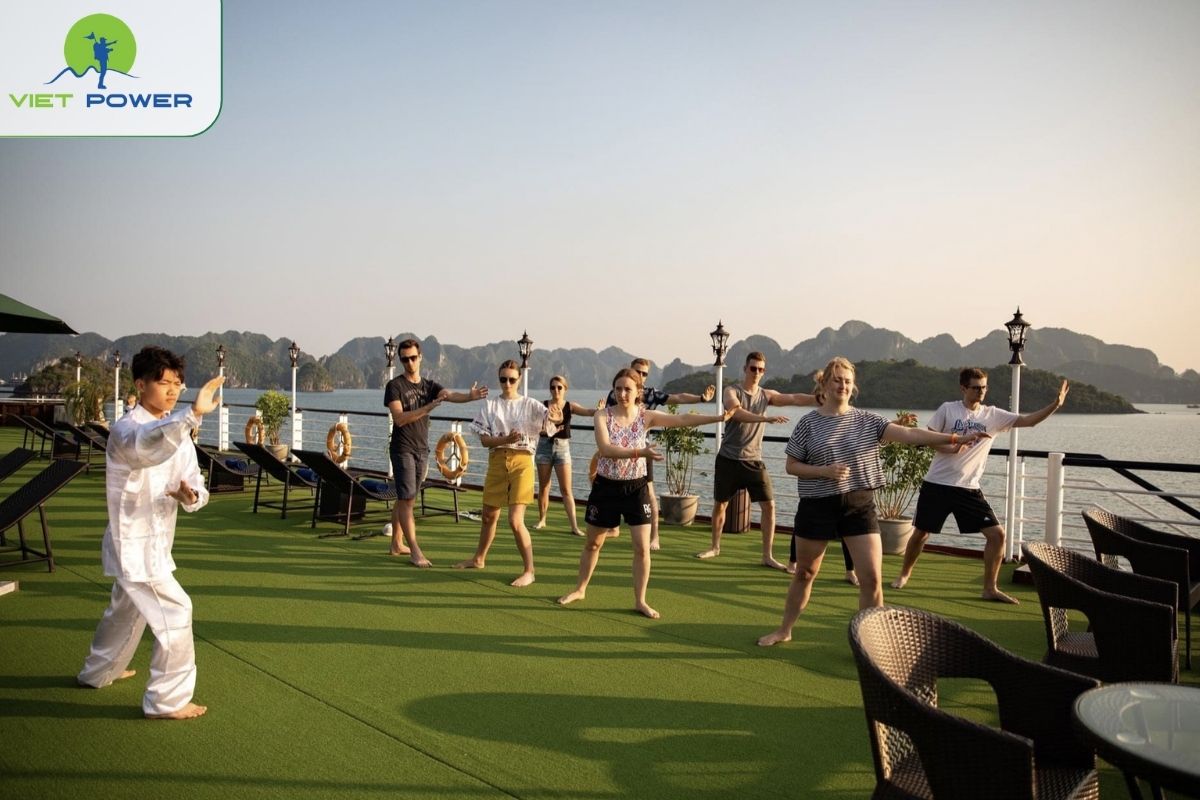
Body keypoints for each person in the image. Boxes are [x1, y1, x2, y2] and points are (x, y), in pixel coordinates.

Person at [757, 357, 988, 647]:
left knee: (872, 579)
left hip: (859, 504)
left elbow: (910, 434)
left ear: (853, 387)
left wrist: (955, 436)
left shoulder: (869, 420)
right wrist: (824, 472)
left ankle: (871, 645)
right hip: (817, 505)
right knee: (804, 573)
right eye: (837, 379)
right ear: (825, 384)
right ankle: (785, 629)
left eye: (848, 381)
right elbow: (791, 465)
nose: (842, 385)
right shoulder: (808, 423)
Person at [76, 346, 224, 719]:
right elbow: (149, 448)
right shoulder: (127, 430)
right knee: (176, 611)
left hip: (154, 545)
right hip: (133, 546)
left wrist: (190, 495)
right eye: (164, 383)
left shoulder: (179, 435)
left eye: (177, 384)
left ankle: (98, 671)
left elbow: (195, 485)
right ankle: (166, 700)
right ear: (140, 385)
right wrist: (191, 414)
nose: (172, 391)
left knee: (124, 611)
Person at [558, 368, 733, 619]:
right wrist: (641, 453)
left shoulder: (646, 416)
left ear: (639, 392)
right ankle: (580, 589)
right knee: (593, 543)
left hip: (636, 488)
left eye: (627, 389)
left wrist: (718, 419)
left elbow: (682, 420)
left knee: (642, 548)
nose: (621, 394)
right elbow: (606, 449)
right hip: (606, 486)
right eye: (617, 388)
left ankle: (640, 600)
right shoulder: (602, 416)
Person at [890, 369, 1069, 603]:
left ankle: (989, 588)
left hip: (968, 488)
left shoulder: (993, 415)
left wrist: (1055, 404)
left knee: (997, 535)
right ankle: (904, 574)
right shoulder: (948, 409)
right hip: (937, 483)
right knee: (921, 533)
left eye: (984, 387)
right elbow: (928, 438)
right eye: (976, 387)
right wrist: (952, 447)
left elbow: (1028, 421)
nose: (981, 391)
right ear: (963, 388)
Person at [695, 351, 816, 569]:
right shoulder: (732, 390)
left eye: (760, 369)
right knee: (720, 504)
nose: (757, 373)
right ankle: (715, 546)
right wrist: (765, 418)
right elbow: (736, 412)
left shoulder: (766, 395)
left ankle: (767, 555)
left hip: (754, 461)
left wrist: (820, 398)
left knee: (769, 505)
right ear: (745, 369)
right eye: (753, 368)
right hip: (728, 459)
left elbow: (794, 398)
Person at [453, 360, 562, 586]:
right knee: (488, 516)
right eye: (503, 379)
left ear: (519, 380)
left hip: (522, 461)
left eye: (512, 379)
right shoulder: (490, 406)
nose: (507, 383)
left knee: (515, 520)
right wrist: (505, 439)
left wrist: (556, 414)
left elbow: (552, 420)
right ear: (499, 379)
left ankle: (529, 570)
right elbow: (484, 440)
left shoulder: (530, 405)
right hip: (497, 459)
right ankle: (479, 558)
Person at [383, 338, 487, 567]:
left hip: (422, 449)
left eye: (413, 357)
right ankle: (415, 551)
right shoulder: (395, 386)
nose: (409, 362)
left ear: (420, 357)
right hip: (403, 449)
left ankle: (396, 543)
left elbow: (447, 395)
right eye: (404, 359)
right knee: (408, 499)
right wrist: (427, 408)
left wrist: (469, 396)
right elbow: (399, 419)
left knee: (405, 498)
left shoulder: (429, 386)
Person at [605, 357, 715, 550]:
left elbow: (678, 398)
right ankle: (613, 526)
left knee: (649, 493)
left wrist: (701, 399)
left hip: (642, 453)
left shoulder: (650, 395)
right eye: (637, 371)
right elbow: (606, 420)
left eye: (644, 373)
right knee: (609, 488)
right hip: (618, 453)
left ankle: (654, 537)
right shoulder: (616, 394)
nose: (640, 375)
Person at [533, 375, 596, 536]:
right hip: (544, 448)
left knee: (566, 490)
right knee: (544, 486)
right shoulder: (543, 406)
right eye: (553, 387)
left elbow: (588, 412)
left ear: (565, 389)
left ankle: (574, 526)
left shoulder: (570, 406)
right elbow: (535, 427)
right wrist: (549, 429)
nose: (556, 390)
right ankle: (542, 519)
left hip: (562, 449)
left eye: (559, 387)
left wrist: (601, 410)